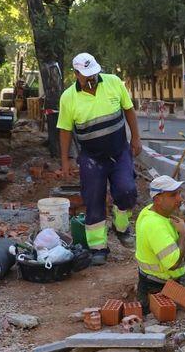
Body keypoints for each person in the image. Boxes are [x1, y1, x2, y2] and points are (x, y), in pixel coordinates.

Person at [57, 52, 142, 265]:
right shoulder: (68, 97)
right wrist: (65, 160)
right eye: (86, 74)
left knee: (127, 190)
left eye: (94, 72)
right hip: (91, 157)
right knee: (93, 199)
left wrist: (136, 138)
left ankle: (121, 227)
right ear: (76, 74)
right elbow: (65, 131)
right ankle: (98, 247)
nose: (92, 77)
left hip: (119, 152)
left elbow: (129, 111)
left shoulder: (113, 82)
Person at [135, 175, 185, 307]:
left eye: (179, 193)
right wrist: (183, 234)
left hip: (150, 279)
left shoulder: (150, 210)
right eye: (173, 195)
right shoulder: (155, 225)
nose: (179, 198)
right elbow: (173, 264)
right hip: (158, 287)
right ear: (158, 199)